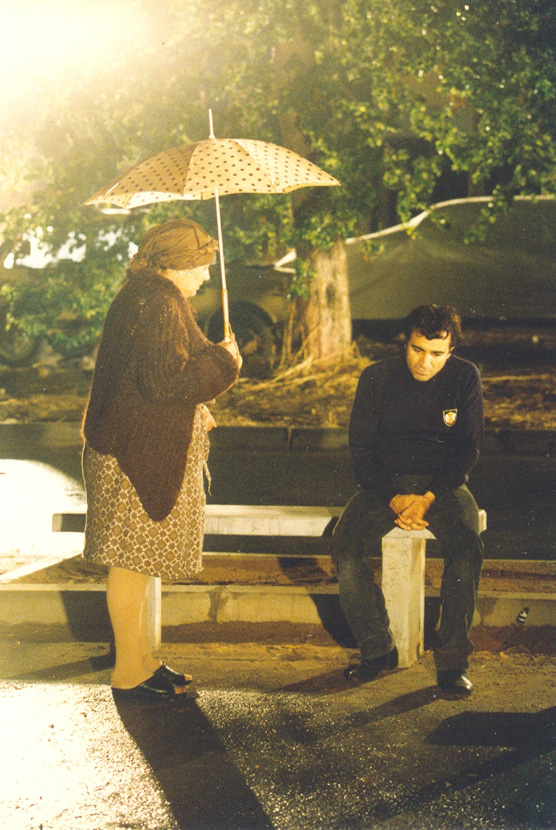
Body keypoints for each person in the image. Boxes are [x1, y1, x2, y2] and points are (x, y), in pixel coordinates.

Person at [81, 218, 242, 700]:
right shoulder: (160, 303)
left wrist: (207, 381)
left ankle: (142, 659)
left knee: (138, 560)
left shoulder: (147, 295)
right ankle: (128, 670)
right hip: (132, 453)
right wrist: (226, 362)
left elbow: (152, 374)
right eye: (201, 265)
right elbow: (166, 383)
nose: (206, 276)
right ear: (177, 263)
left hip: (128, 444)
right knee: (131, 563)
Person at [332, 304, 484, 697]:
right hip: (385, 486)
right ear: (406, 342)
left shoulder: (465, 376)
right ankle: (376, 648)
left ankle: (453, 663)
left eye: (436, 353)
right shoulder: (376, 377)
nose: (424, 362)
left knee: (467, 546)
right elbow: (361, 451)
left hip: (443, 488)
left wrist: (429, 498)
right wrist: (394, 497)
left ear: (451, 351)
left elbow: (467, 450)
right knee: (345, 543)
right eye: (418, 349)